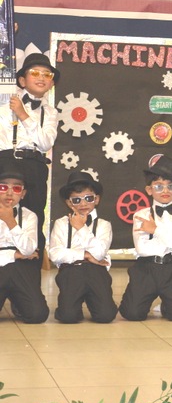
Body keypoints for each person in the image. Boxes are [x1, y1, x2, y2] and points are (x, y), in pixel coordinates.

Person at [0, 53, 59, 278]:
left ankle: (30, 278)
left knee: (34, 216)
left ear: (52, 83)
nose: (41, 77)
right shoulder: (5, 102)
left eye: (47, 74)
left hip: (35, 164)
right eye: (35, 73)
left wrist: (23, 114)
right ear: (22, 80)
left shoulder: (51, 112)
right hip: (7, 161)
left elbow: (45, 142)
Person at [118, 156, 172, 321]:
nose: (165, 191)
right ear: (149, 190)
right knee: (132, 314)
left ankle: (168, 303)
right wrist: (171, 239)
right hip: (146, 267)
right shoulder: (141, 215)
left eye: (171, 186)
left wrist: (155, 230)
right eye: (159, 186)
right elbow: (142, 249)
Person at [48, 171, 117, 323]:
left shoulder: (104, 225)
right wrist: (85, 255)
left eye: (88, 198)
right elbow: (55, 254)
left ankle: (96, 302)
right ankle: (71, 306)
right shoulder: (61, 223)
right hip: (70, 271)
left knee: (106, 316)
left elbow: (99, 253)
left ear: (96, 199)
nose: (83, 204)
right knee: (68, 317)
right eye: (76, 200)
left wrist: (81, 228)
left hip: (96, 271)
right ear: (69, 203)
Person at [0, 167, 49, 323]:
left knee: (37, 314)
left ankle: (18, 301)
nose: (9, 193)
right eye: (3, 187)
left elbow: (28, 249)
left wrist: (11, 222)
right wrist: (14, 254)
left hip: (21, 269)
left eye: (16, 188)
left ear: (23, 194)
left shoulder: (29, 216)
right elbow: (23, 252)